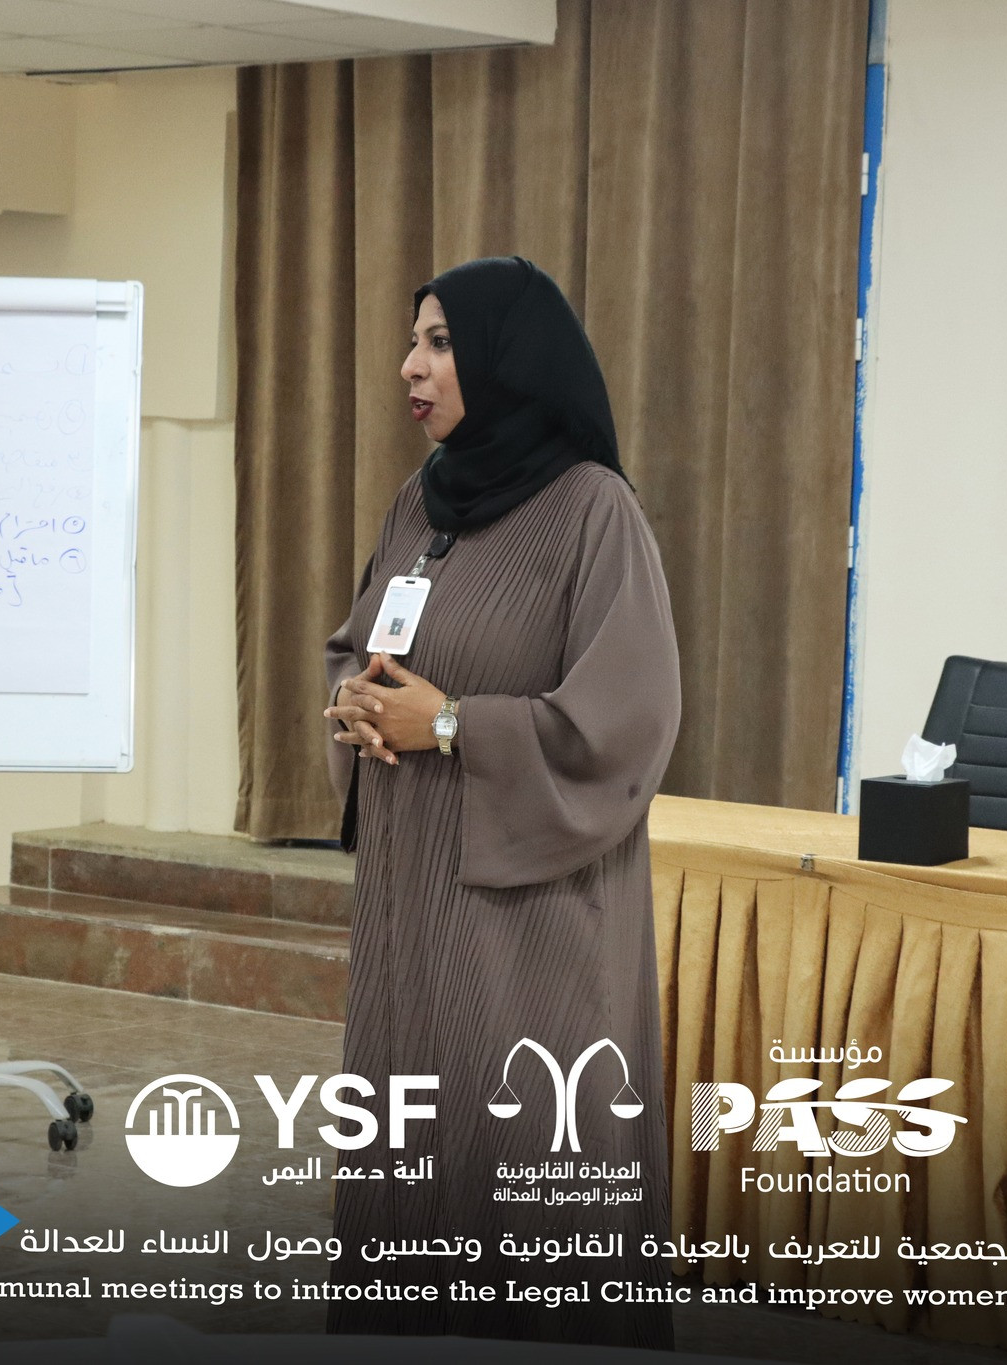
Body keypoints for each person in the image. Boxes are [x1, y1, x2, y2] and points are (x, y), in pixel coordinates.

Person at [320, 256, 682, 1347]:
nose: (409, 366)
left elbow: (624, 722)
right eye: (413, 341)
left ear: (507, 360)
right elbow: (358, 644)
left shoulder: (592, 510)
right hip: (411, 906)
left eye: (438, 343)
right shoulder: (420, 501)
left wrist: (449, 726)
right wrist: (352, 701)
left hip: (528, 921)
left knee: (522, 1160)